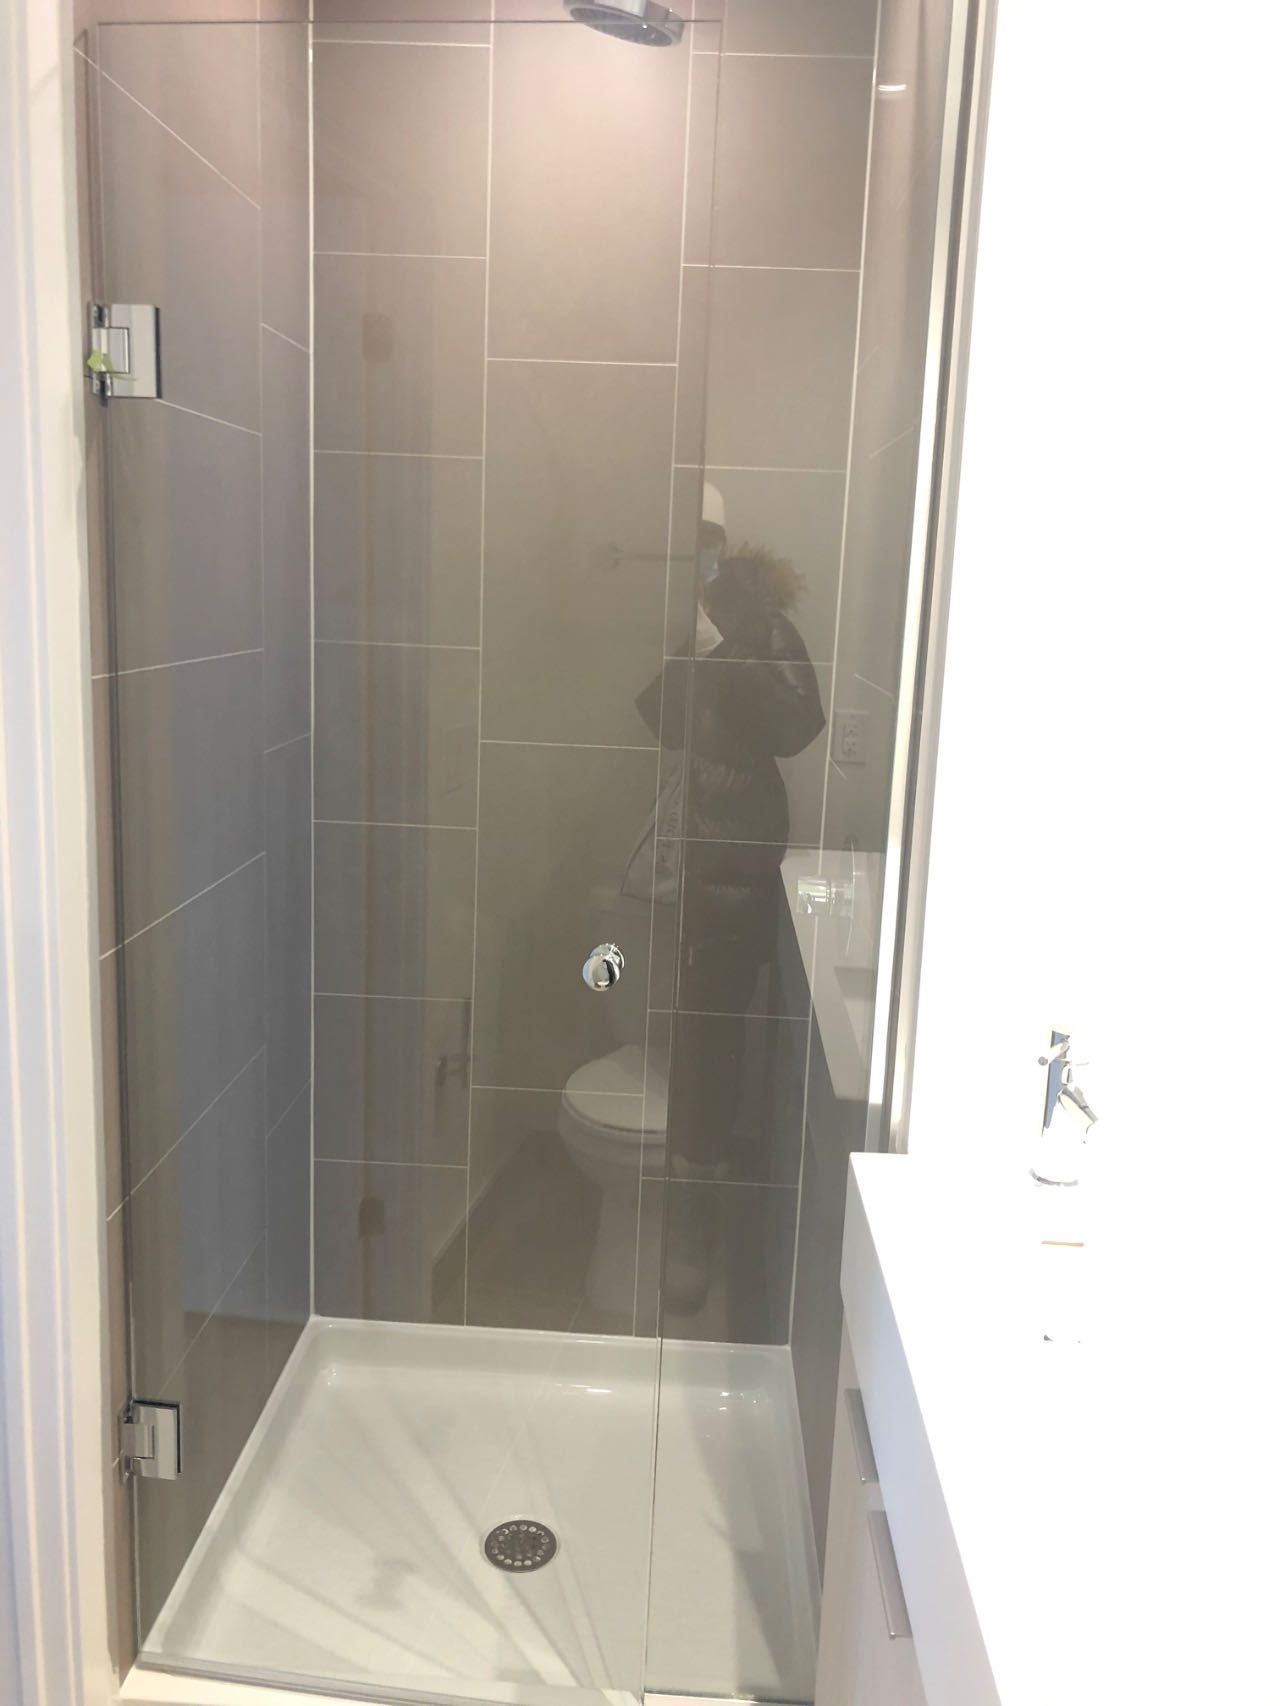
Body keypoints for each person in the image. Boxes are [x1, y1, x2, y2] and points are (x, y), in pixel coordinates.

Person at [636, 523, 826, 1314]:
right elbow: (662, 723)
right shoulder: (699, 619)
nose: (701, 560)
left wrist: (724, 652)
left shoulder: (765, 627)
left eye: (708, 547)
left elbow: (797, 727)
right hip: (690, 861)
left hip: (738, 867)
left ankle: (696, 1225)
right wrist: (693, 647)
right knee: (685, 1027)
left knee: (713, 1042)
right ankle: (679, 1209)